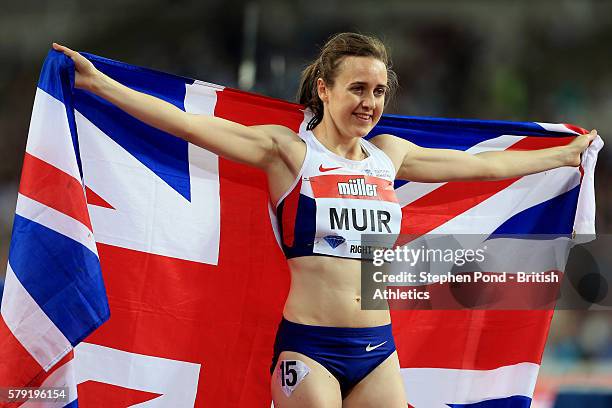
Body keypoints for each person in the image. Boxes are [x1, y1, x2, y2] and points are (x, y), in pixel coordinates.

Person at [53, 33, 596, 407]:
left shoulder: (391, 155)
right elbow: (189, 125)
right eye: (357, 89)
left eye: (379, 91)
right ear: (324, 89)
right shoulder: (288, 152)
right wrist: (102, 86)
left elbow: (484, 166)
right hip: (309, 349)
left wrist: (564, 155)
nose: (370, 102)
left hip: (379, 350)